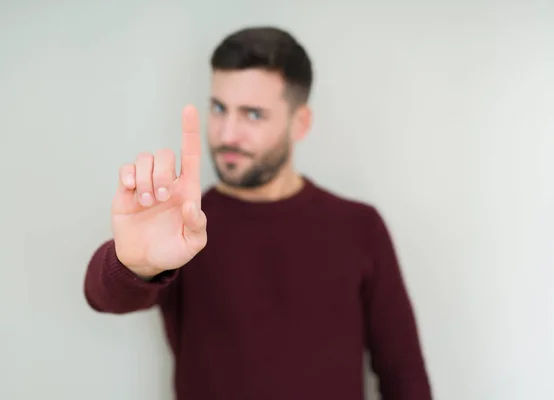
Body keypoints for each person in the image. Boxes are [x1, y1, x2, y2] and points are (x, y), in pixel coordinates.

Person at [84, 26, 432, 400]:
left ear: (300, 123)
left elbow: (404, 375)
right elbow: (103, 297)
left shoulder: (359, 227)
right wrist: (134, 264)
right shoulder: (184, 227)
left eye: (252, 115)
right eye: (219, 108)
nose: (227, 134)